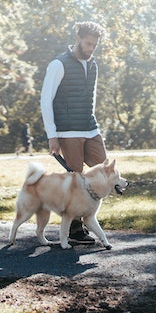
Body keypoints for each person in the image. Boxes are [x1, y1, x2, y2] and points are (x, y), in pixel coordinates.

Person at [40, 21, 108, 245]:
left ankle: (88, 213)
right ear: (78, 38)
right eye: (88, 43)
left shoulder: (93, 64)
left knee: (103, 167)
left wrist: (92, 119)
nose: (90, 48)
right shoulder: (59, 64)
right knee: (75, 176)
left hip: (89, 126)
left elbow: (92, 96)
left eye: (94, 45)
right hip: (68, 130)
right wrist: (53, 135)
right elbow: (45, 100)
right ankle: (75, 228)